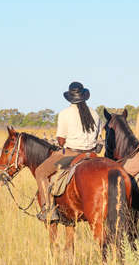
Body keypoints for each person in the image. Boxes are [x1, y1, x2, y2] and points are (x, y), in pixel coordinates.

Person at [35, 82, 101, 221]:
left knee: (40, 172)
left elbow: (60, 141)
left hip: (72, 153)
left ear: (70, 97)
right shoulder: (94, 113)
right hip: (92, 154)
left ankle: (48, 210)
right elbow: (97, 137)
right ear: (84, 95)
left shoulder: (65, 113)